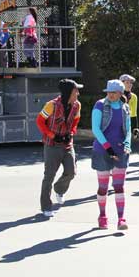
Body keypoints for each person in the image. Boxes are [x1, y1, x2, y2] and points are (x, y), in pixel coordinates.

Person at [35, 79, 82, 217]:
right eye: (75, 91)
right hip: (52, 145)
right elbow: (39, 121)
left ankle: (59, 189)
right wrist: (51, 134)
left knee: (71, 172)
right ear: (68, 92)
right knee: (49, 176)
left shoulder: (77, 105)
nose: (78, 93)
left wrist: (72, 133)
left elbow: (75, 121)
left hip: (67, 144)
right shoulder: (51, 105)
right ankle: (46, 206)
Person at [91, 79, 131, 230]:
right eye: (108, 92)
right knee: (103, 187)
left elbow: (127, 130)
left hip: (120, 152)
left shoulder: (125, 108)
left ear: (120, 93)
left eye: (113, 92)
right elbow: (95, 129)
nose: (110, 95)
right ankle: (102, 216)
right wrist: (108, 148)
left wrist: (127, 144)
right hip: (102, 151)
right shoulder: (100, 105)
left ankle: (121, 219)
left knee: (119, 186)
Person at [119, 74, 139, 139]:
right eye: (127, 82)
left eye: (131, 83)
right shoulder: (116, 94)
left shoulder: (134, 97)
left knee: (125, 146)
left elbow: (133, 113)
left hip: (127, 124)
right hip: (116, 123)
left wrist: (135, 128)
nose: (130, 84)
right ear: (121, 83)